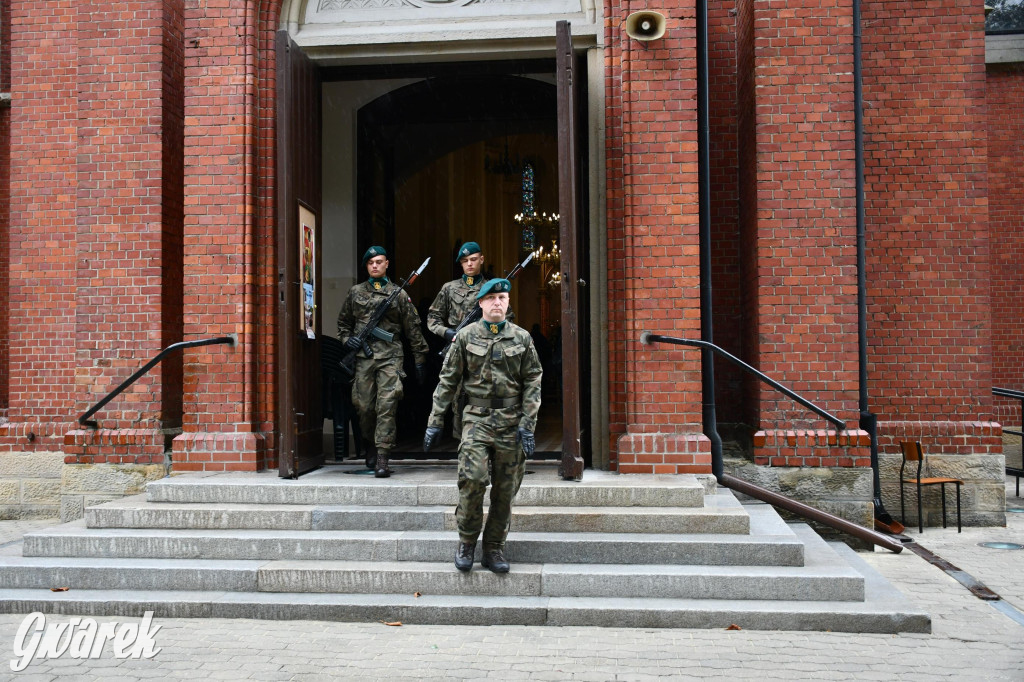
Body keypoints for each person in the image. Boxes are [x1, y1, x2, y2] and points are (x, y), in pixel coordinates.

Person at [423, 278, 543, 573]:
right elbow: (448, 380)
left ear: (508, 302)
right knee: (473, 479)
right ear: (481, 304)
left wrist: (528, 424)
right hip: (476, 418)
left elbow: (533, 381)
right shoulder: (465, 338)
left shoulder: (522, 338)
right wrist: (434, 421)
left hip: (512, 421)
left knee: (505, 490)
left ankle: (493, 548)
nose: (497, 302)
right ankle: (466, 541)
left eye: (502, 297)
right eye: (491, 299)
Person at [337, 246, 429, 478]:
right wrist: (348, 341)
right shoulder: (355, 292)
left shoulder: (397, 294)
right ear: (367, 267)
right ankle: (370, 443)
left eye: (379, 261)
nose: (375, 265)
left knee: (387, 406)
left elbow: (413, 329)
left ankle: (382, 456)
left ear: (387, 264)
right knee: (365, 407)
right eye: (371, 263)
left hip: (390, 357)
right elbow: (343, 323)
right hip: (363, 358)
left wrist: (419, 359)